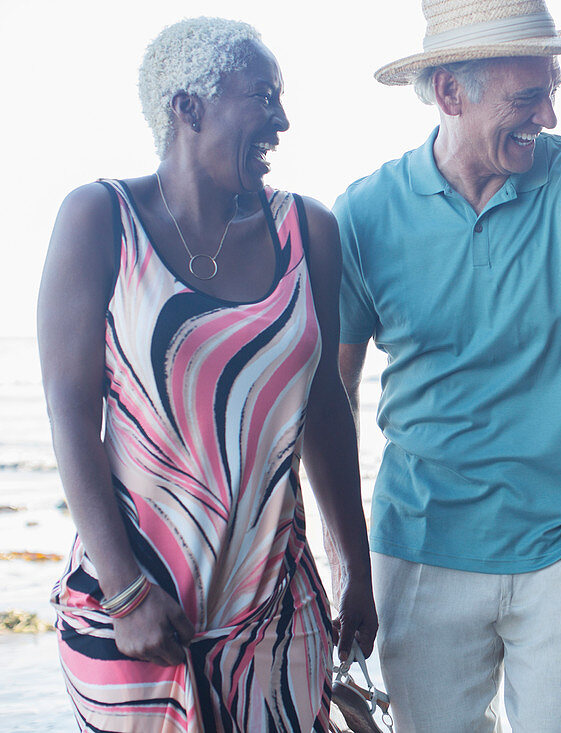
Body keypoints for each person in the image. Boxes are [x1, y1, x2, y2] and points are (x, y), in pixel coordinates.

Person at [334, 0, 561, 730]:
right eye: (528, 97)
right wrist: (342, 565)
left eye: (553, 88)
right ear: (449, 94)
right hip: (421, 545)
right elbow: (329, 398)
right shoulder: (364, 214)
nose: (550, 116)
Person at [38, 18, 376, 732]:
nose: (282, 118)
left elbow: (324, 408)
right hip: (134, 610)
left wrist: (357, 566)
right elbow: (70, 416)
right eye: (263, 96)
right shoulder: (100, 218)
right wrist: (126, 592)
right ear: (187, 107)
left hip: (275, 609)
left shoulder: (306, 230)